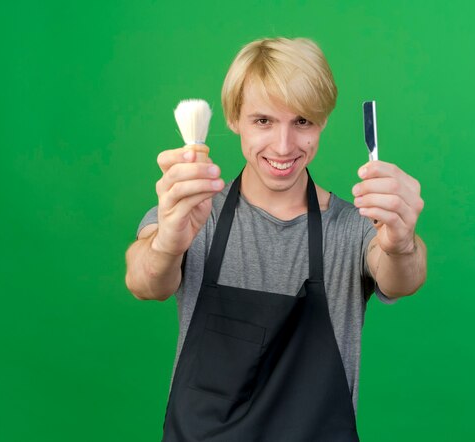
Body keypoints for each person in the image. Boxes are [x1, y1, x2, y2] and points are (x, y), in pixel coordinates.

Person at [125, 37, 427, 442]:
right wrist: (168, 243)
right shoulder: (195, 214)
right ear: (234, 119)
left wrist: (401, 242)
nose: (283, 146)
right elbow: (144, 281)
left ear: (321, 123)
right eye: (263, 121)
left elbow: (402, 278)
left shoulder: (353, 227)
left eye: (302, 121)